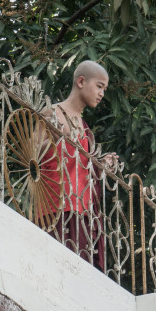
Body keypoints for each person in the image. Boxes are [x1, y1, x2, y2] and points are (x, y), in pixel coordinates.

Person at [39, 60, 118, 272]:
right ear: (81, 81)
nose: (102, 94)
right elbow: (33, 156)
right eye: (99, 86)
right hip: (56, 207)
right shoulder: (53, 113)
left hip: (82, 212)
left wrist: (100, 164)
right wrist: (59, 139)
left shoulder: (85, 129)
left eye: (104, 89)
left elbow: (83, 167)